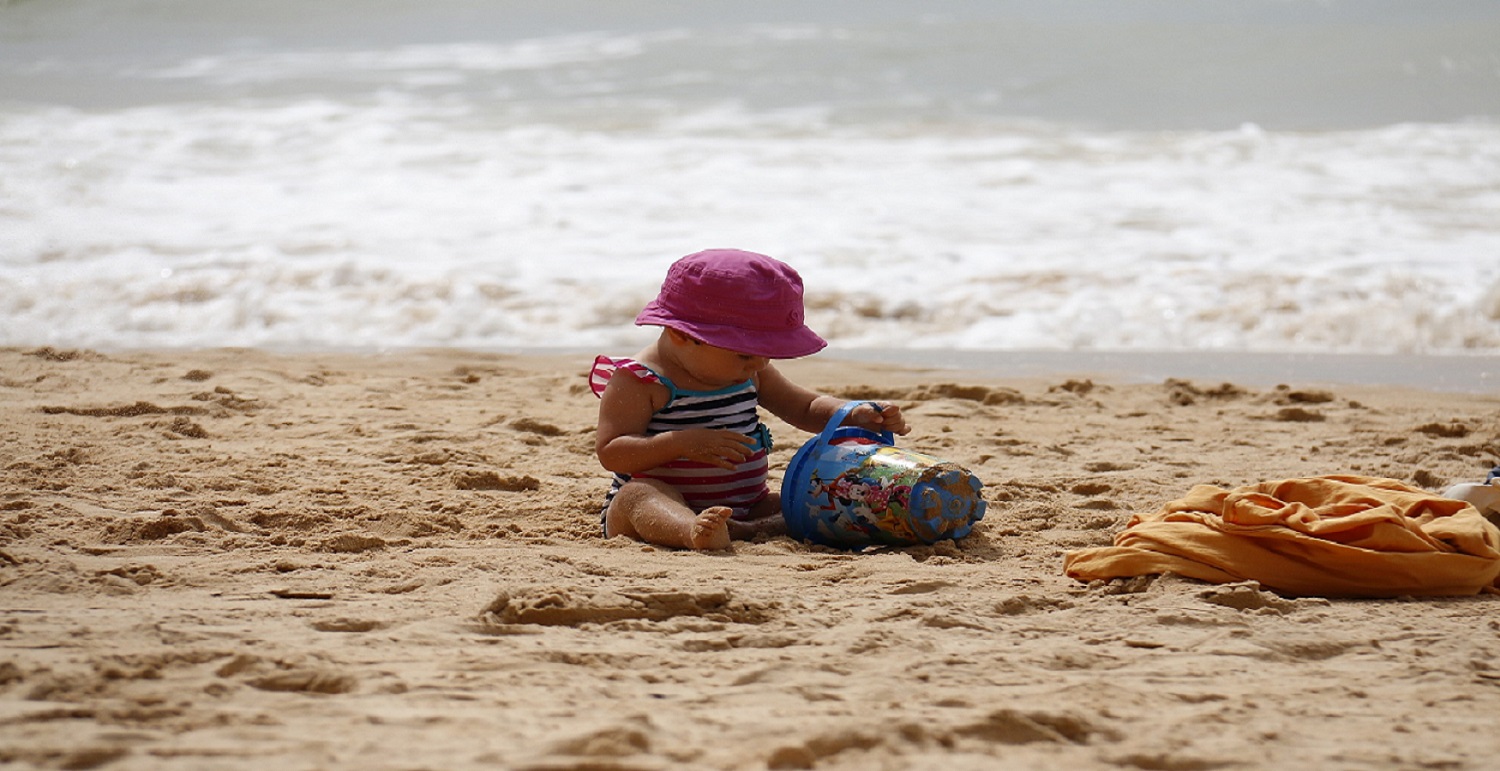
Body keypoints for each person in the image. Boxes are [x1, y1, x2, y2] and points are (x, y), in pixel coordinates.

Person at [589, 249, 909, 550]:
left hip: (746, 504)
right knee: (638, 496)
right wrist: (679, 443)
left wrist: (852, 413)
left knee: (809, 500)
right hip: (659, 504)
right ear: (681, 335)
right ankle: (690, 531)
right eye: (744, 353)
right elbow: (613, 453)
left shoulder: (749, 370)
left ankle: (742, 530)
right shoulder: (640, 380)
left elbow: (804, 407)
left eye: (767, 353)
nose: (759, 364)